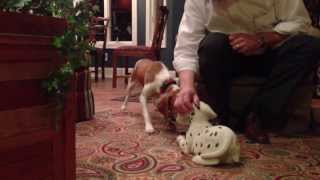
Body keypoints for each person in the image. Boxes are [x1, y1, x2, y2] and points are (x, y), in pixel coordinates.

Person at [173, 0, 320, 143]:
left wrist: (261, 39)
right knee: (212, 45)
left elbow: (300, 22)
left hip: (271, 53)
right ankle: (221, 119)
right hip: (226, 56)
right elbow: (186, 47)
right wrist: (186, 87)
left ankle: (256, 116)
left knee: (310, 46)